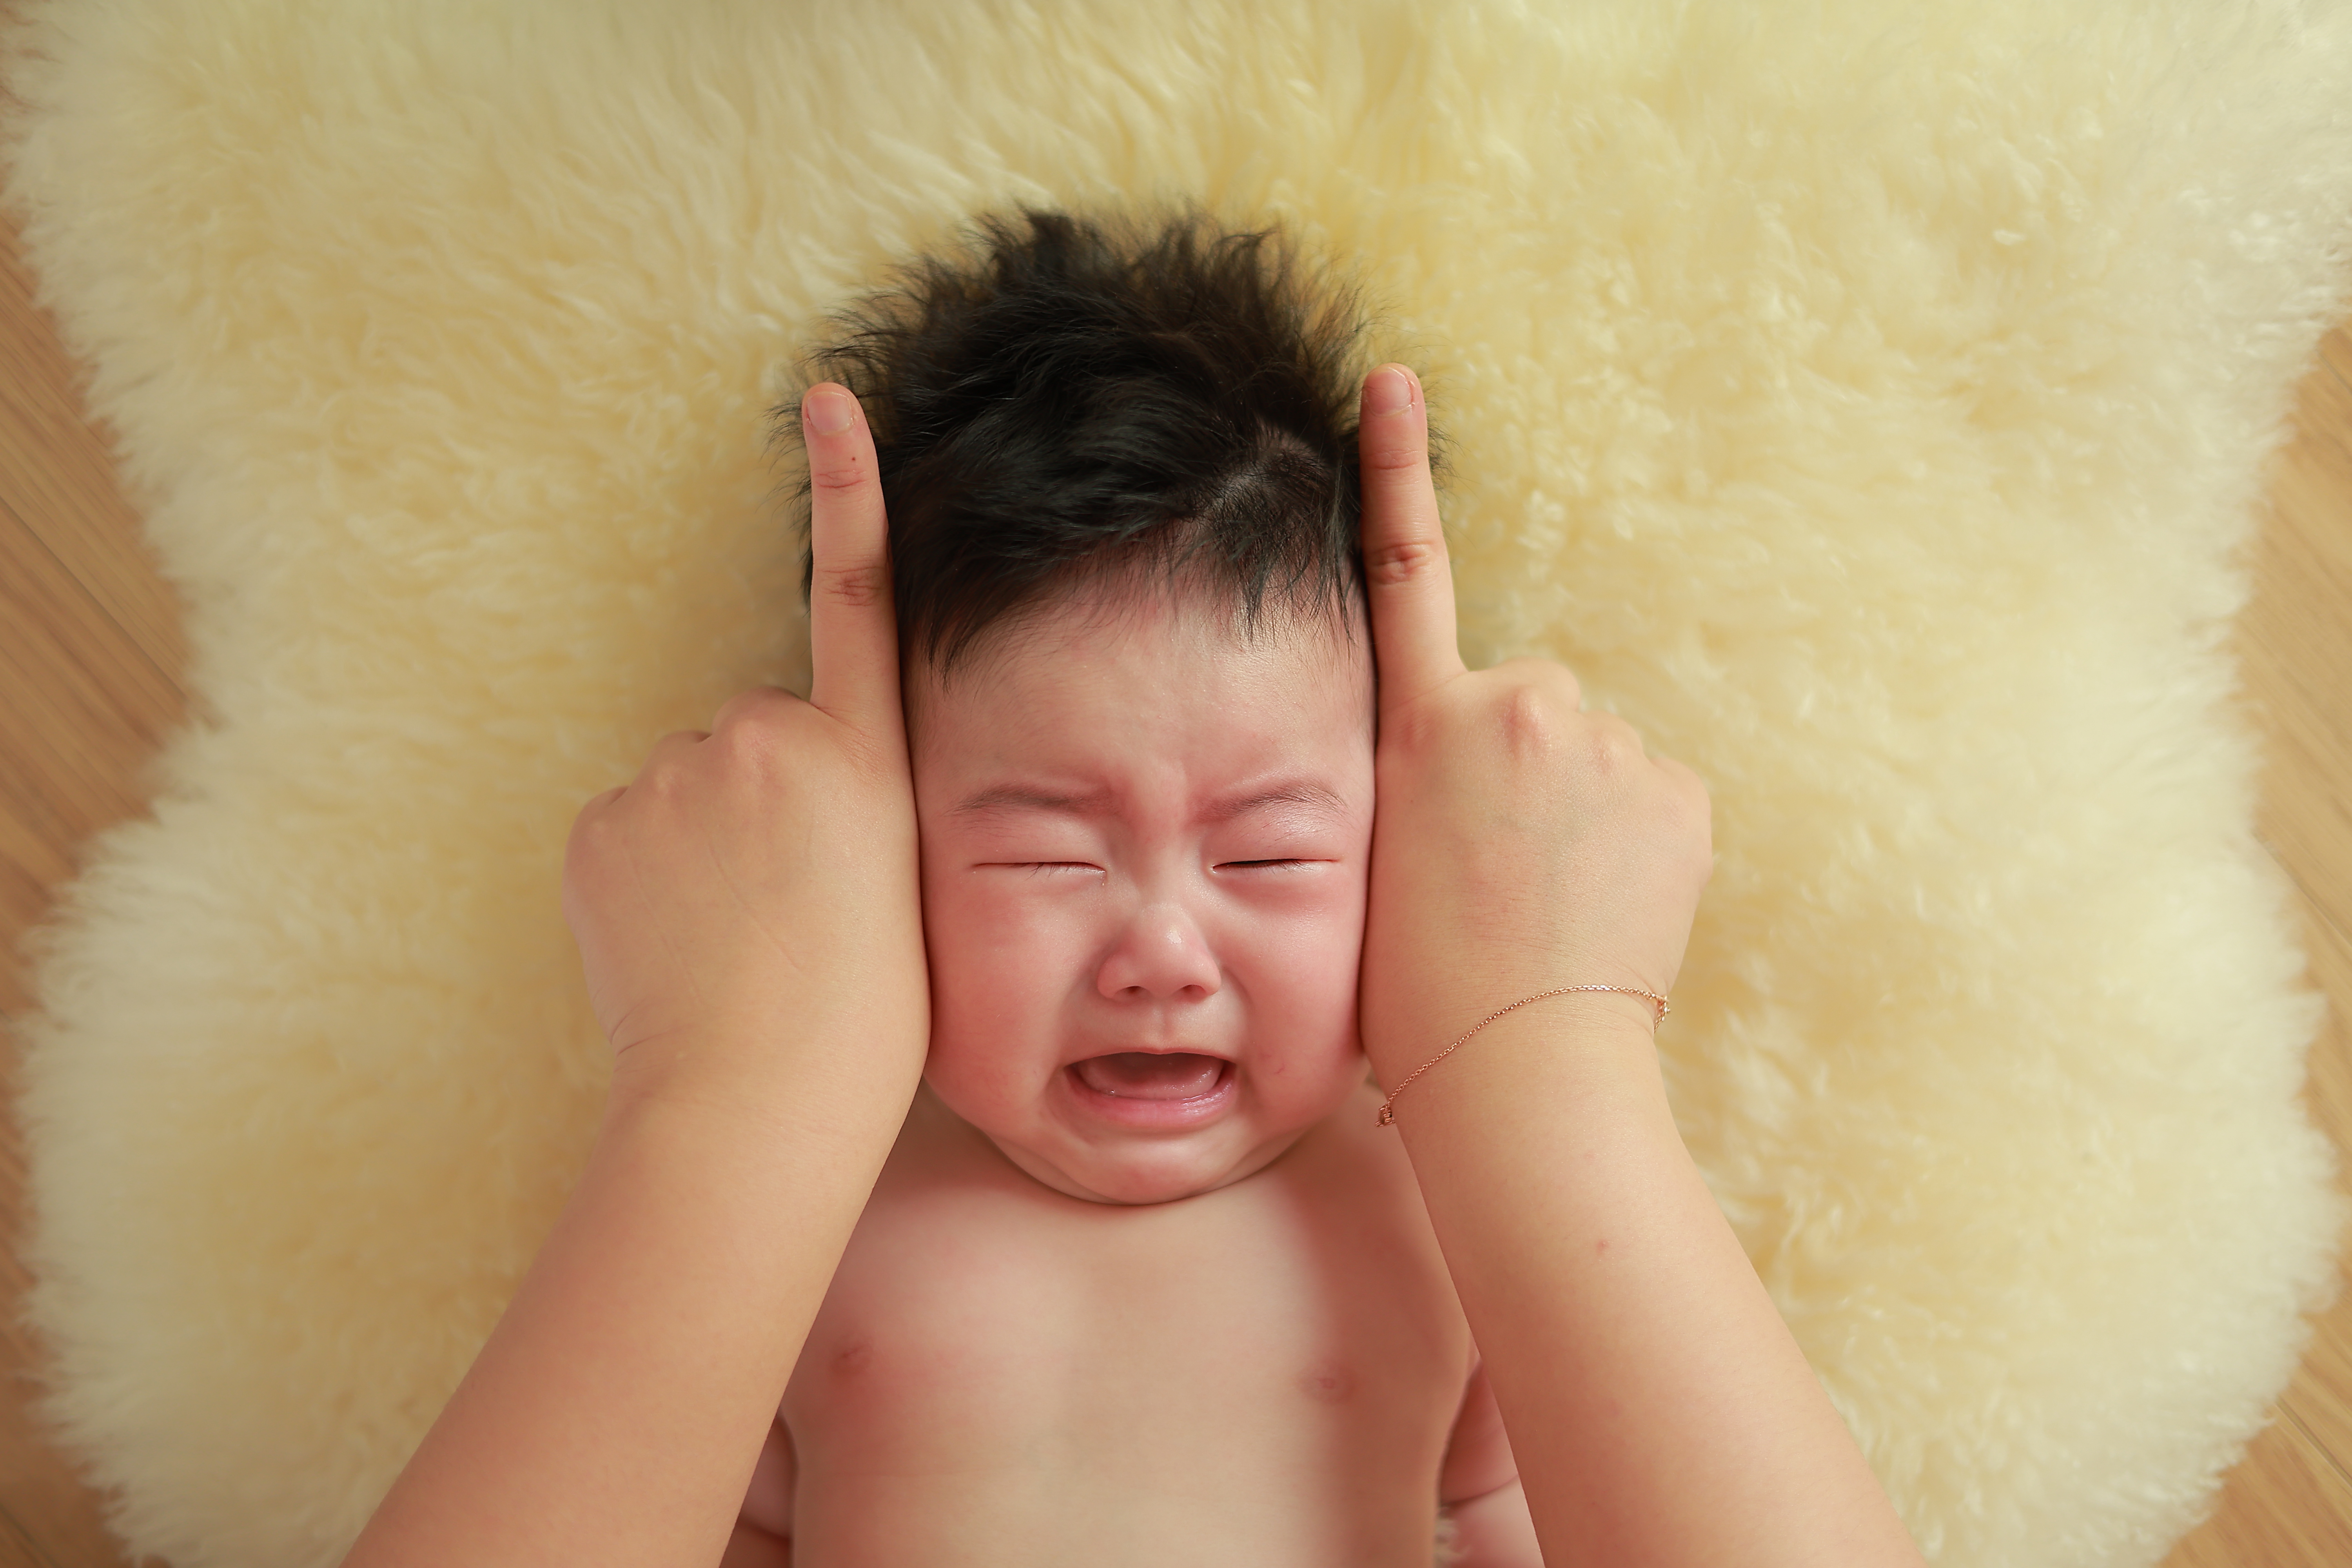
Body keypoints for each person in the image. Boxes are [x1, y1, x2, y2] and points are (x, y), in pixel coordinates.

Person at [339, 209, 1929, 1568]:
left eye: (1270, 856)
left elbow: (1543, 1511)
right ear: (870, 875)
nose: (1163, 950)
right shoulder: (806, 1214)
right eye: (1042, 854)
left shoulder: (1453, 1207)